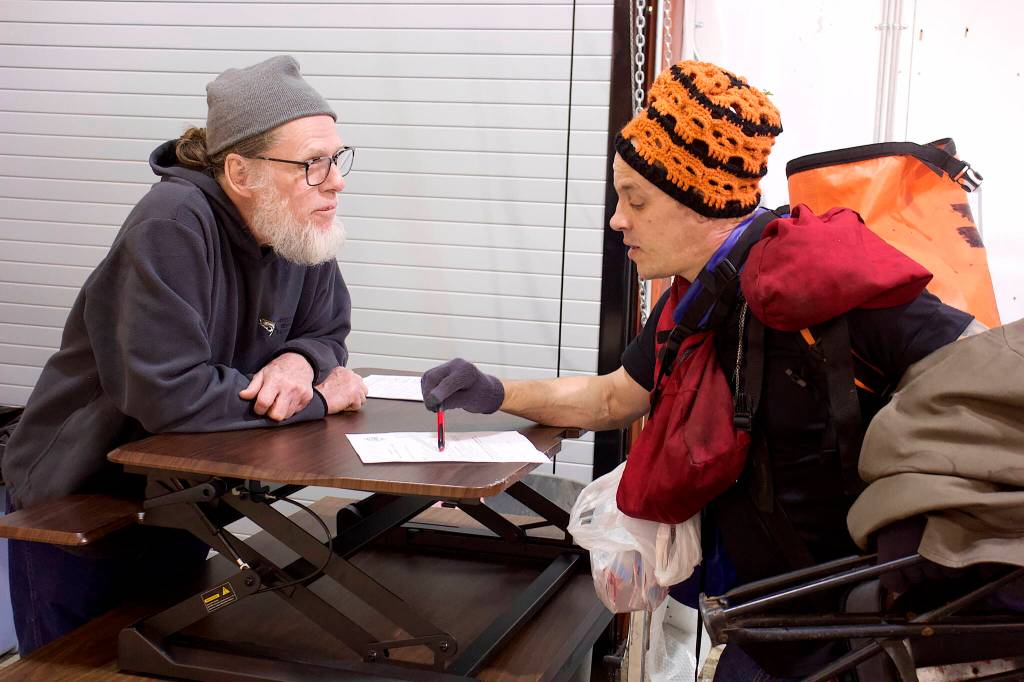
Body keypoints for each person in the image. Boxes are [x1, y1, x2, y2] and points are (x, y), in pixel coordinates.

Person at [420, 61, 980, 680]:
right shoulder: (693, 302)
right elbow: (610, 398)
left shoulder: (826, 285)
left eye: (634, 199)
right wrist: (497, 392)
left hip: (856, 629)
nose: (616, 220)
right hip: (760, 622)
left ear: (699, 202)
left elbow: (985, 379)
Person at [1, 55, 368, 654]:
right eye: (310, 164)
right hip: (84, 490)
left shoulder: (300, 224)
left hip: (179, 488)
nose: (335, 181)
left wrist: (299, 361)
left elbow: (327, 329)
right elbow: (170, 393)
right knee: (73, 662)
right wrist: (319, 398)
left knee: (168, 649)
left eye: (335, 158)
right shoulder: (171, 222)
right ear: (240, 171)